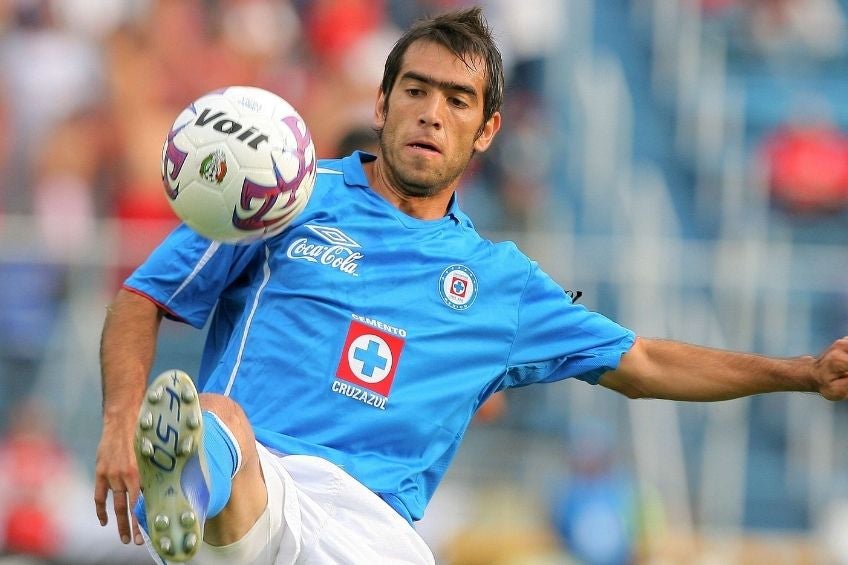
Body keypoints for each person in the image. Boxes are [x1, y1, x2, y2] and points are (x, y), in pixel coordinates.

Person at [94, 7, 848, 565]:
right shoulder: (284, 194)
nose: (431, 112)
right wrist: (119, 422)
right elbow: (143, 296)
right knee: (220, 419)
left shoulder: (501, 283)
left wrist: (803, 373)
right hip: (258, 485)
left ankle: (196, 494)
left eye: (457, 100)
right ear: (381, 105)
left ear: (487, 129)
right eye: (415, 91)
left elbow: (643, 362)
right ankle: (189, 491)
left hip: (372, 534)